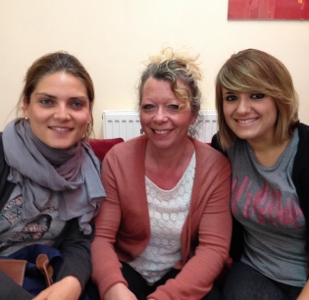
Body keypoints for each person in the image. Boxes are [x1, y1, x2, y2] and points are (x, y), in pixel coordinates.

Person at [0, 51, 105, 300]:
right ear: (26, 105)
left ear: (89, 112)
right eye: (47, 101)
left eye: (76, 104)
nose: (62, 114)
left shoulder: (89, 169)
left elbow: (79, 243)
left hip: (47, 280)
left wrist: (72, 281)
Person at [211, 48, 309, 300]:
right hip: (256, 271)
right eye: (231, 97)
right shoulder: (225, 148)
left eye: (256, 95)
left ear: (280, 97)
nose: (242, 109)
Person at [89, 48, 232, 300]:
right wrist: (114, 288)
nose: (159, 118)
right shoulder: (117, 159)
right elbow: (102, 238)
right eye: (149, 107)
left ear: (194, 114)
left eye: (173, 107)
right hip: (127, 270)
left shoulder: (215, 167)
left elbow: (213, 249)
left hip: (181, 273)